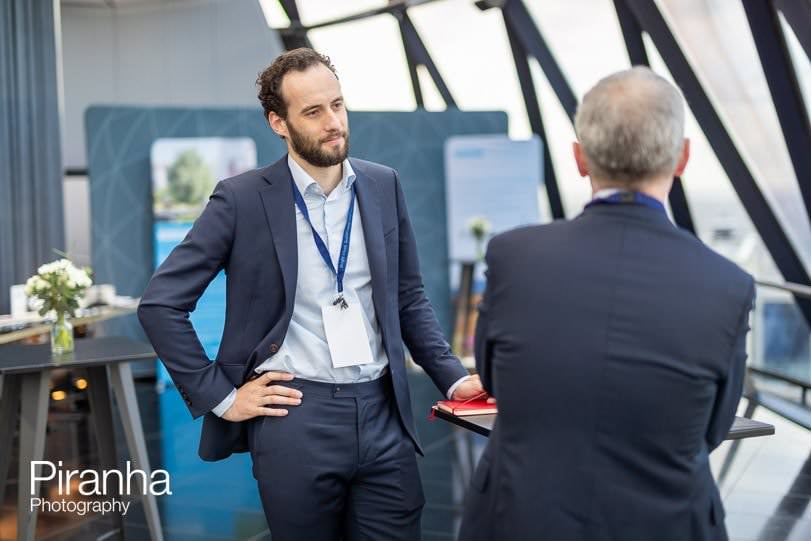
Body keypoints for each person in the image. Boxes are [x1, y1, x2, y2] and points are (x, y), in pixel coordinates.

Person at [137, 47, 485, 541]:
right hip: (296, 416)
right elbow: (161, 304)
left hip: (384, 413)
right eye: (313, 112)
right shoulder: (241, 199)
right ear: (278, 123)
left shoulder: (383, 184)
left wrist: (452, 378)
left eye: (338, 105)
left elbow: (408, 296)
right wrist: (222, 396)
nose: (333, 122)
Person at [458, 67, 754, 541]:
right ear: (682, 157)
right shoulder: (728, 286)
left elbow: (495, 380)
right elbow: (713, 428)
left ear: (579, 158)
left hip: (520, 519)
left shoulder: (514, 257)